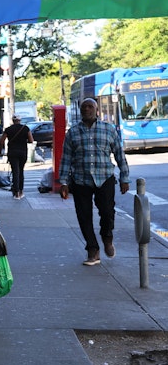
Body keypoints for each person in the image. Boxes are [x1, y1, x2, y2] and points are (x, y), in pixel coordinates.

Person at [59, 97, 130, 266]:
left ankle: (107, 238)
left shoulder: (108, 129)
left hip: (104, 177)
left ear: (96, 110)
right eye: (84, 107)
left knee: (107, 212)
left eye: (90, 107)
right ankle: (92, 250)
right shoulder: (73, 132)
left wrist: (124, 178)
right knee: (84, 216)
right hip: (80, 180)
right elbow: (66, 158)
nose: (86, 110)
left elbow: (120, 155)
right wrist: (63, 182)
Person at [0, 115, 33, 199]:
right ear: (20, 120)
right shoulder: (26, 128)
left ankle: (16, 192)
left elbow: (1, 141)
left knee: (15, 172)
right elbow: (31, 140)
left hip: (12, 152)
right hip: (23, 152)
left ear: (13, 121)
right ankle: (21, 191)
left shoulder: (8, 129)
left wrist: (0, 152)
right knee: (21, 171)